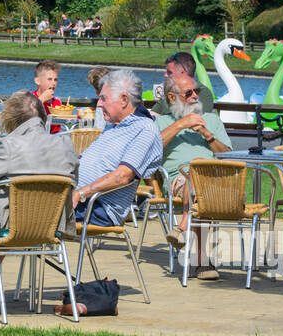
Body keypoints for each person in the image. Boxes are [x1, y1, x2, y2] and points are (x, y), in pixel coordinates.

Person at [0, 91, 78, 313]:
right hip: (50, 224)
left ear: (12, 118)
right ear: (43, 116)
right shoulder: (65, 145)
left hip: (8, 224)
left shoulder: (9, 146)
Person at [158, 72, 232, 279]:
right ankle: (202, 261)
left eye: (196, 91)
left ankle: (182, 227)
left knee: (200, 172)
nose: (195, 97)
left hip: (215, 179)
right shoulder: (162, 123)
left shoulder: (212, 120)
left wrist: (207, 135)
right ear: (172, 98)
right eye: (188, 93)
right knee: (196, 172)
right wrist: (182, 124)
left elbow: (228, 156)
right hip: (179, 179)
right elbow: (152, 150)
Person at [73, 69, 163, 229]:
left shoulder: (145, 129)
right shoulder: (113, 126)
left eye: (103, 98)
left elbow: (122, 176)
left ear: (123, 100)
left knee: (30, 209)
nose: (99, 104)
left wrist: (81, 192)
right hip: (80, 199)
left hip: (97, 206)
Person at [33, 59, 63, 132]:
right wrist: (42, 99)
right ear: (38, 81)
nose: (53, 83)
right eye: (49, 79)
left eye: (55, 80)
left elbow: (57, 130)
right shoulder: (29, 99)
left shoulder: (57, 103)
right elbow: (24, 119)